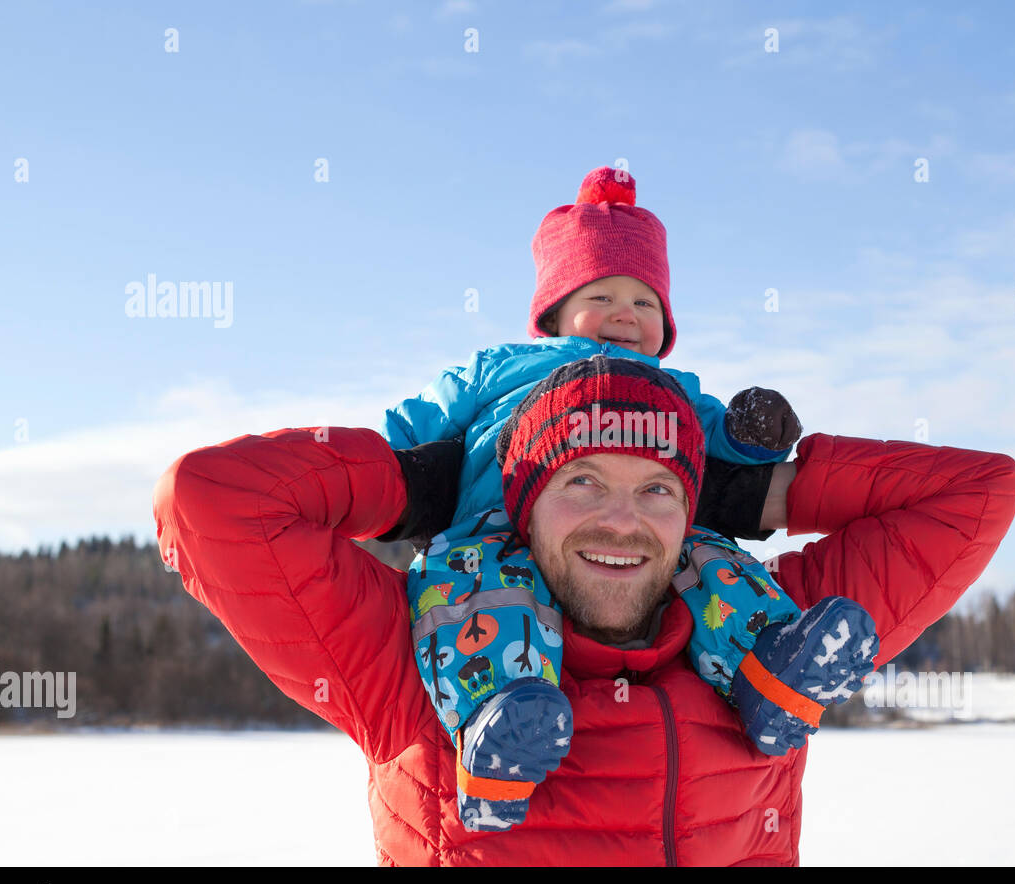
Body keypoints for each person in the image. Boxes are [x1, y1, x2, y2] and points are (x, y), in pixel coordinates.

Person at [152, 364, 1015, 866]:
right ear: (520, 510)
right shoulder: (416, 655)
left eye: (656, 491)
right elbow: (210, 503)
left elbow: (976, 493)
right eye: (582, 484)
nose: (622, 519)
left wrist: (762, 491)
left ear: (692, 518)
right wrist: (411, 485)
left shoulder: (771, 637)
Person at [375, 166, 876, 830]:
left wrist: (750, 433)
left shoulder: (670, 387)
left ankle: (768, 672)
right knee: (480, 598)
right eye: (603, 294)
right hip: (495, 529)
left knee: (713, 563)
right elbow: (417, 422)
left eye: (645, 304)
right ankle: (496, 736)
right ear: (551, 313)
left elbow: (717, 438)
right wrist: (379, 467)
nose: (625, 314)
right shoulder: (501, 366)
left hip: (639, 534)